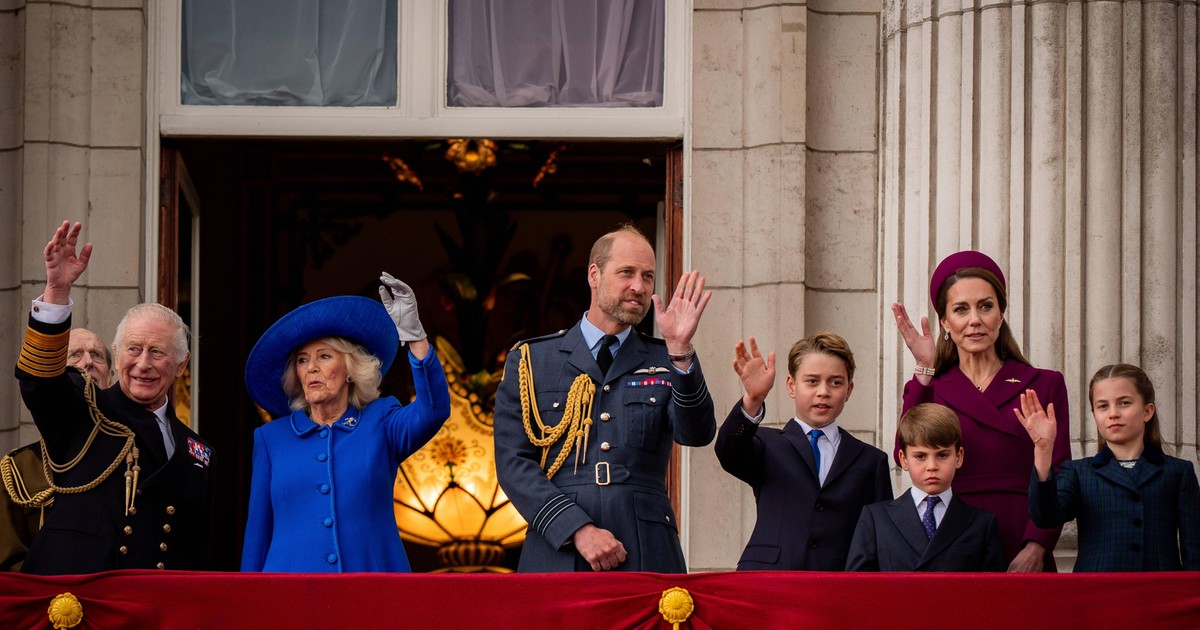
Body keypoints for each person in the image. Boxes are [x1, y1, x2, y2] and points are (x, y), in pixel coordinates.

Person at [493, 225, 716, 572]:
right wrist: (577, 529)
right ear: (594, 275)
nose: (638, 287)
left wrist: (682, 351)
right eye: (626, 272)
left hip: (646, 546)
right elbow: (513, 463)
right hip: (559, 547)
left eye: (648, 277)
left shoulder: (667, 358)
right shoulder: (532, 361)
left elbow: (697, 434)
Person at [15, 221, 214, 574]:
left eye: (158, 352)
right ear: (118, 355)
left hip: (154, 607)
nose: (143, 364)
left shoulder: (196, 450)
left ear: (182, 364)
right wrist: (57, 292)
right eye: (133, 350)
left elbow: (199, 550)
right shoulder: (83, 411)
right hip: (80, 601)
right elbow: (39, 383)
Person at [240, 273, 450, 572]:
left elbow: (433, 410)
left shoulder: (382, 422)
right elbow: (258, 533)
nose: (311, 368)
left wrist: (415, 337)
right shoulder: (271, 439)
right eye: (302, 360)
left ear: (350, 368)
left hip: (372, 590)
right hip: (291, 597)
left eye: (324, 356)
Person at [892, 250, 1070, 572]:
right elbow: (902, 454)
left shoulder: (1044, 384)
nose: (974, 320)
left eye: (985, 306)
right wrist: (924, 369)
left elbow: (1058, 472)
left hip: (1021, 532)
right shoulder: (933, 387)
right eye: (961, 309)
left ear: (1000, 314)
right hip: (952, 534)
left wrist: (1037, 545)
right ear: (945, 321)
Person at [715, 332, 891, 571]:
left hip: (837, 585)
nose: (823, 392)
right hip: (770, 581)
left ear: (848, 390)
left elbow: (880, 537)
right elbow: (728, 451)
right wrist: (753, 400)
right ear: (791, 386)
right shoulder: (766, 443)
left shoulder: (871, 460)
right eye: (812, 381)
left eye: (835, 382)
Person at [1018, 364, 1200, 571]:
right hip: (1096, 595)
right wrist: (1043, 450)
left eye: (1124, 403)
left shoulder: (1177, 471)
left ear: (1147, 411)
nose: (1113, 413)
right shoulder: (1079, 472)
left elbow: (1194, 551)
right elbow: (1046, 517)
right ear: (1094, 414)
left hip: (1159, 595)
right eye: (1103, 406)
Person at [0, 327, 114, 571]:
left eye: (96, 355)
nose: (87, 362)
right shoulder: (20, 470)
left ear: (111, 378)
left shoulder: (134, 458)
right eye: (74, 356)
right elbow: (9, 565)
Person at [846, 403, 1005, 572]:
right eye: (920, 456)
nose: (932, 466)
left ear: (958, 457)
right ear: (904, 459)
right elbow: (858, 587)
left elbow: (992, 592)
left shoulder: (981, 523)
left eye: (942, 455)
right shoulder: (876, 519)